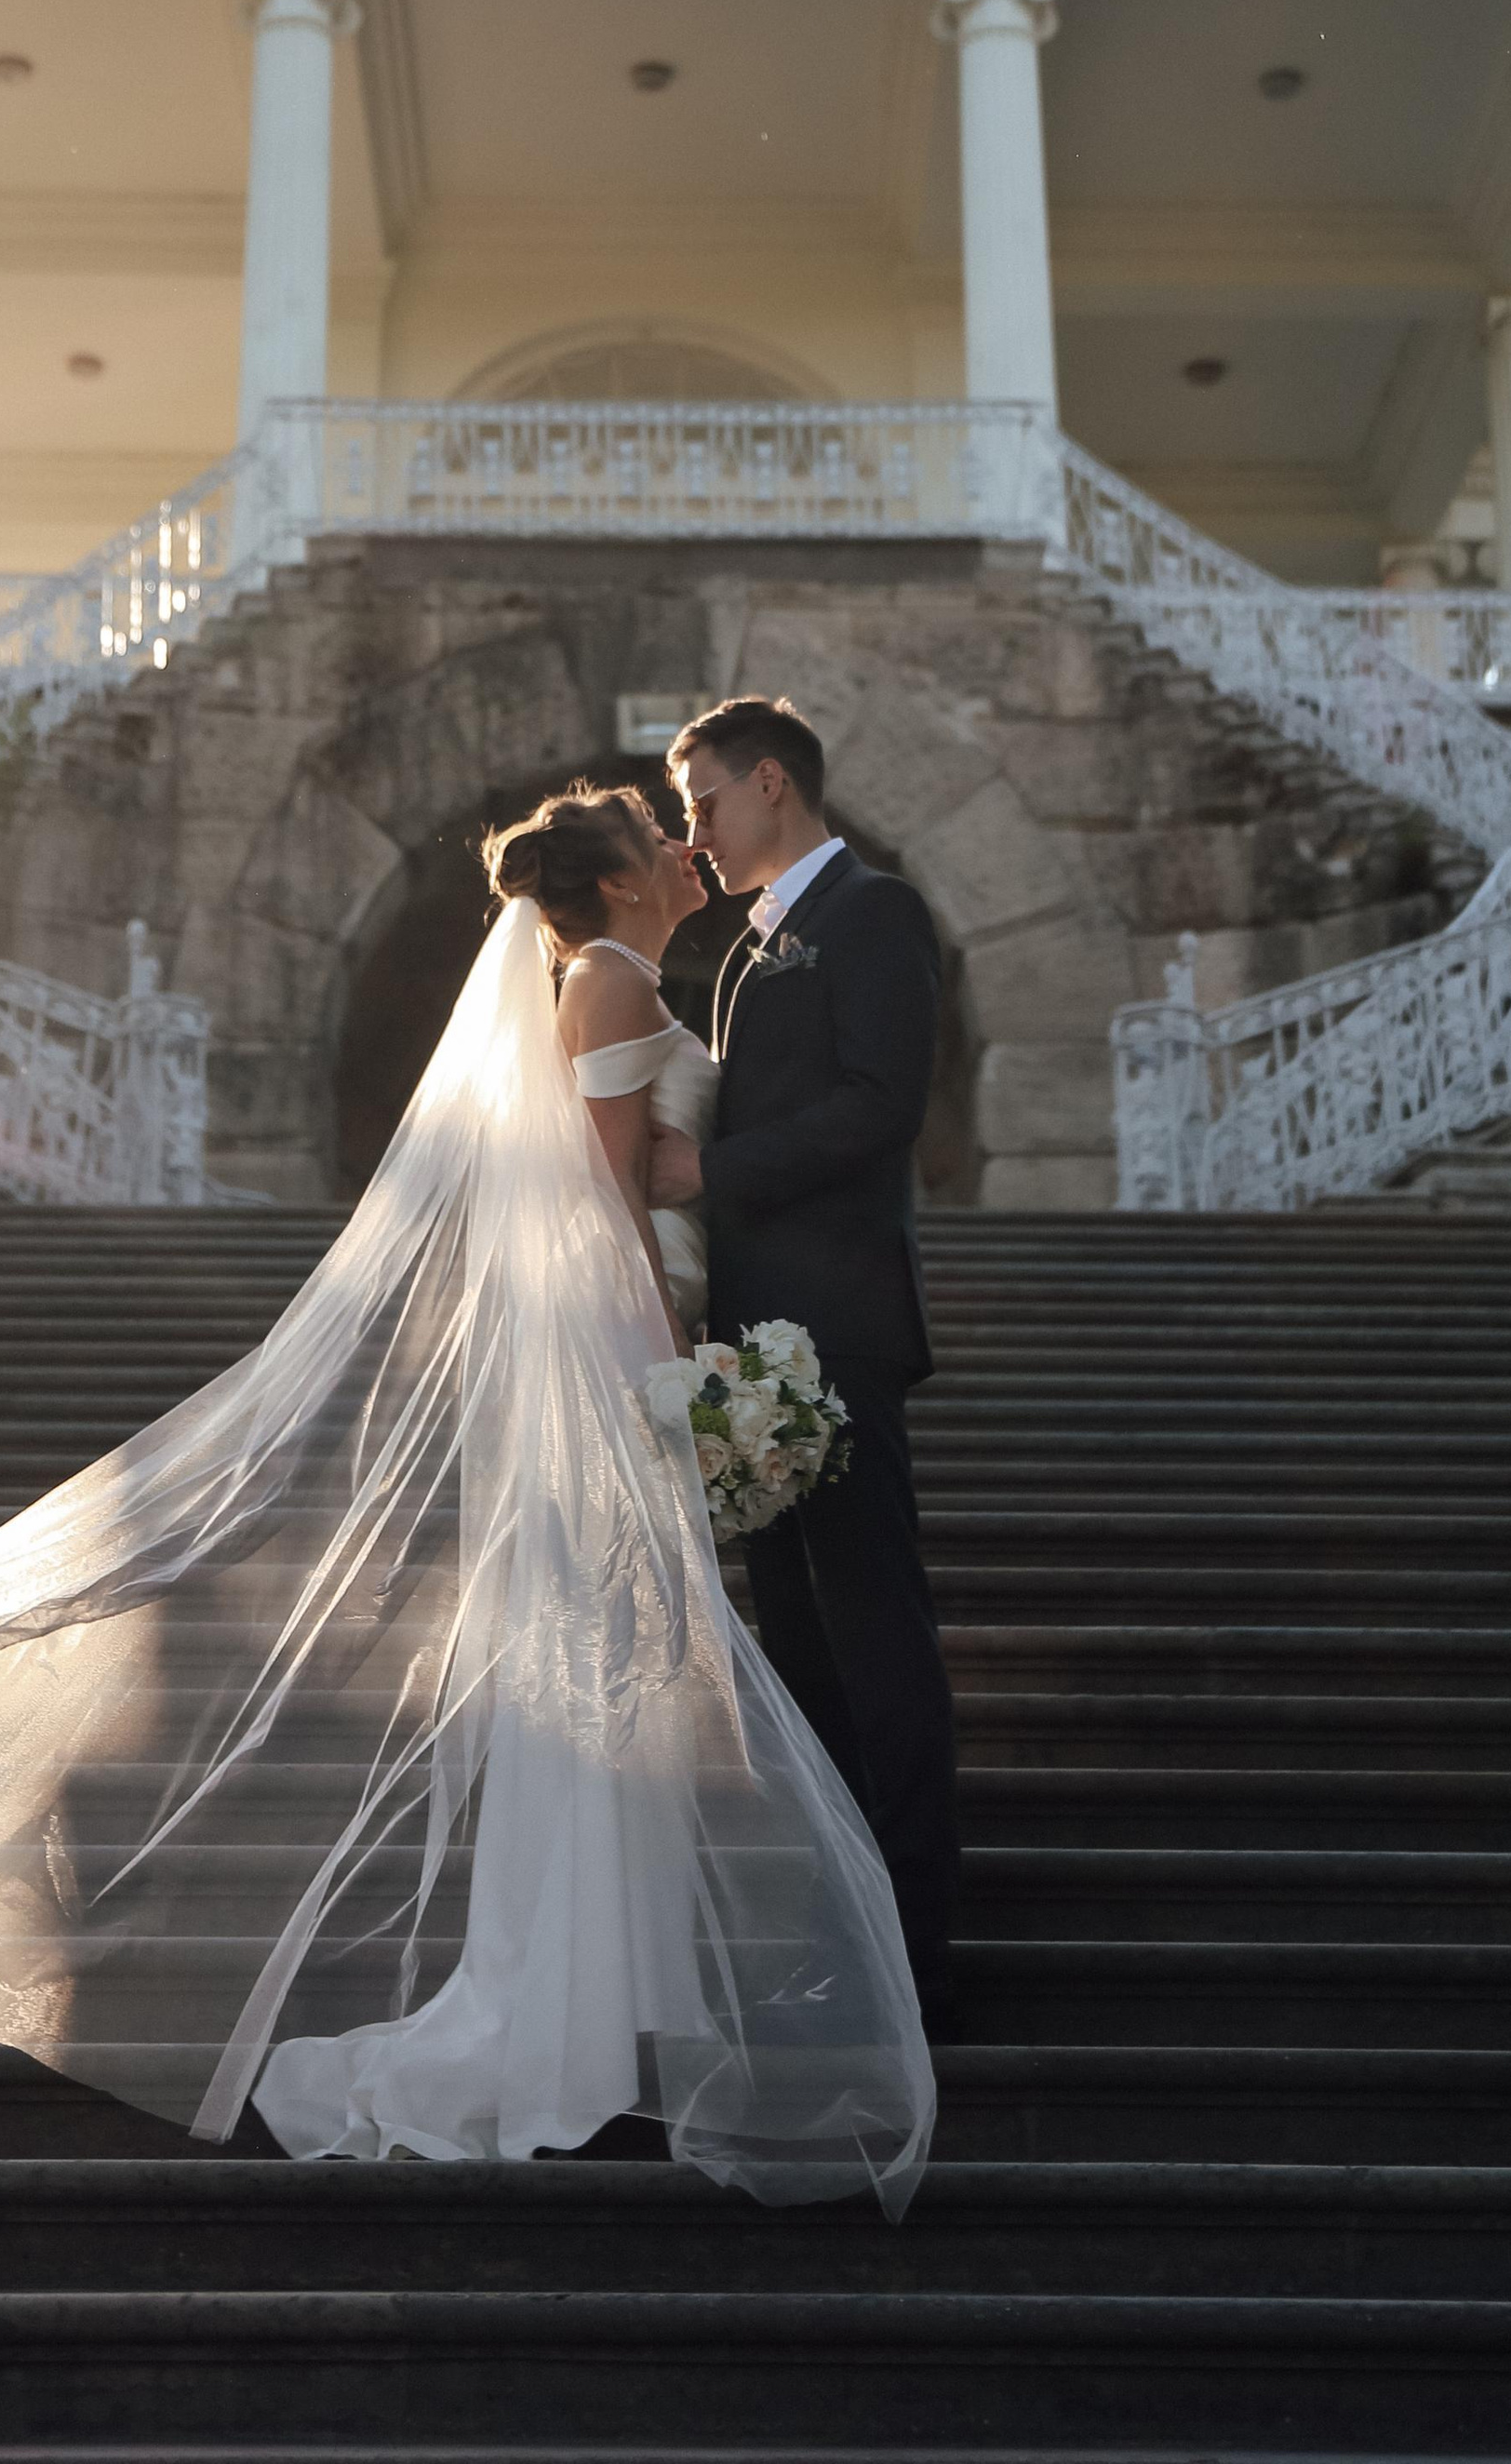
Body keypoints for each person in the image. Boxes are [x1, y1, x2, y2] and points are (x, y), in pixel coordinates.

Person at [0, 780, 932, 2211]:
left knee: (607, 1672)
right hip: (615, 1353)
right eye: (650, 828)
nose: (685, 842)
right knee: (603, 1669)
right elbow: (604, 1201)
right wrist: (673, 1365)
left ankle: (590, 2007)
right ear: (612, 887)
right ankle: (553, 2017)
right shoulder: (609, 983)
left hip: (624, 1347)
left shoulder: (614, 971)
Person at [651, 698, 963, 2037]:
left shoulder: (874, 914)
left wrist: (706, 1175)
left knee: (871, 1629)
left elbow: (879, 1105)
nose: (694, 832)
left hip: (835, 1326)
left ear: (773, 782)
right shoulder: (742, 945)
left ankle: (921, 1948)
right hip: (754, 1350)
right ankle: (842, 1930)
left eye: (705, 803)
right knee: (797, 1648)